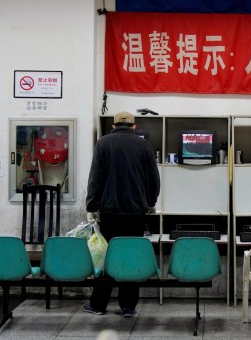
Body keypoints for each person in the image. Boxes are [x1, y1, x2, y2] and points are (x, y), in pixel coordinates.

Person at [84, 111, 160, 317]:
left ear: (113, 126)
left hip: (109, 211)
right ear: (134, 127)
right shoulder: (145, 146)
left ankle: (99, 305)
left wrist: (91, 206)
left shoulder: (103, 143)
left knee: (107, 258)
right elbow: (154, 179)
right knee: (130, 256)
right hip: (136, 213)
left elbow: (96, 178)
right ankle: (128, 306)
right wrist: (151, 203)